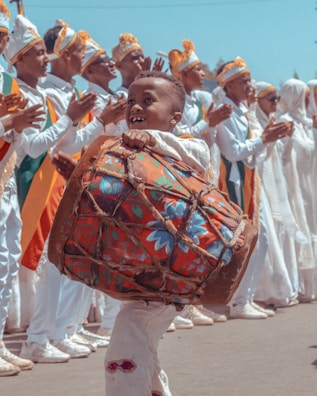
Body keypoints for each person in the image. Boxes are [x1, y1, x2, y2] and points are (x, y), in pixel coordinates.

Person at [53, 70, 210, 395]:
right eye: (132, 101)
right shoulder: (124, 153)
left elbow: (190, 156)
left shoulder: (190, 149)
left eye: (148, 101)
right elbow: (112, 203)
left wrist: (154, 140)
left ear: (175, 117)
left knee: (128, 340)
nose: (135, 107)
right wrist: (80, 181)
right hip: (142, 273)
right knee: (141, 344)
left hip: (173, 272)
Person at [7, 16, 100, 363]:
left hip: (52, 184)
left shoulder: (40, 94)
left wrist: (95, 121)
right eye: (37, 54)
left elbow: (68, 142)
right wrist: (70, 117)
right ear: (18, 60)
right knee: (34, 264)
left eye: (45, 53)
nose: (45, 58)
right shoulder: (21, 94)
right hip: (32, 186)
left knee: (53, 263)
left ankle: (48, 334)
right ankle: (37, 338)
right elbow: (34, 147)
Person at [0, 6, 59, 375]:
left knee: (5, 262)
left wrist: (11, 124)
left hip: (5, 182)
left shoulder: (6, 81)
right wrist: (10, 122)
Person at [215, 57, 293, 319]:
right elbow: (232, 151)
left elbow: (251, 153)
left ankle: (244, 297)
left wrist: (268, 139)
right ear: (229, 85)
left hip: (249, 180)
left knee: (260, 242)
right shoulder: (225, 110)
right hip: (234, 183)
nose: (250, 85)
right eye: (244, 81)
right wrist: (263, 139)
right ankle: (237, 300)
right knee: (246, 242)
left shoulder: (240, 111)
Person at [167, 39, 231, 326]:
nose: (202, 74)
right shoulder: (177, 100)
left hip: (204, 169)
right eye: (196, 70)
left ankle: (193, 300)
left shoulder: (199, 100)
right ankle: (180, 305)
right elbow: (180, 134)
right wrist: (209, 122)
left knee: (200, 238)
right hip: (185, 171)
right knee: (183, 237)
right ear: (183, 75)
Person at [276, 78, 316, 303]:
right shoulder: (286, 121)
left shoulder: (304, 122)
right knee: (301, 230)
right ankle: (302, 286)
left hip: (309, 183)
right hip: (295, 185)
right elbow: (302, 153)